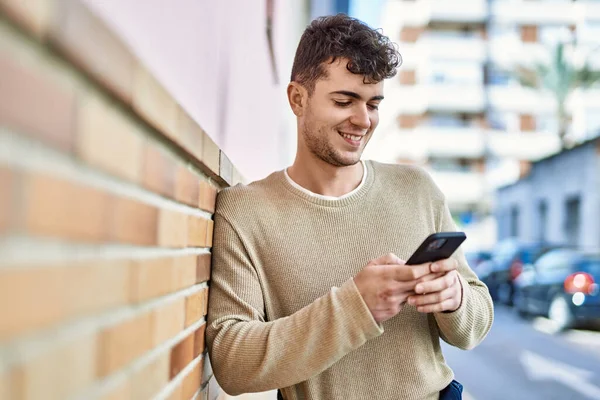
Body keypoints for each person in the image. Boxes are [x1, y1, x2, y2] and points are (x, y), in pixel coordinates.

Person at [206, 14, 494, 400]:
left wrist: (455, 298)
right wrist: (354, 306)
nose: (363, 120)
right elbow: (232, 362)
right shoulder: (245, 212)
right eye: (345, 101)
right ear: (297, 98)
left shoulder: (417, 189)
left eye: (374, 104)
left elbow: (474, 325)